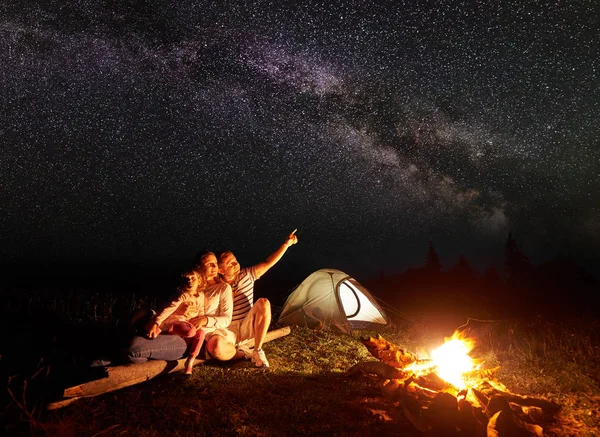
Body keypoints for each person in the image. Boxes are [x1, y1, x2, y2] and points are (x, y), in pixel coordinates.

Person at [126, 252, 232, 368]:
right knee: (141, 314)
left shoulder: (222, 288)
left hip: (192, 334)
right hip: (174, 321)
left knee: (134, 347)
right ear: (198, 267)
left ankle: (135, 354)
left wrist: (205, 320)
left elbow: (226, 319)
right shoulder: (189, 285)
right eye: (209, 264)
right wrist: (177, 310)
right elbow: (169, 305)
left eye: (215, 263)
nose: (214, 266)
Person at [212, 229, 299, 368]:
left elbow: (268, 262)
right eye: (230, 263)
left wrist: (286, 244)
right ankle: (245, 353)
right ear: (220, 270)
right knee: (216, 349)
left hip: (247, 325)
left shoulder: (246, 275)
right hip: (227, 329)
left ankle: (257, 350)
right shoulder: (215, 286)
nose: (235, 264)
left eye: (235, 260)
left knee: (263, 302)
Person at [144, 269, 207, 374]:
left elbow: (201, 311)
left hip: (187, 323)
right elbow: (169, 308)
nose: (190, 281)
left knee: (201, 333)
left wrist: (200, 319)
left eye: (193, 278)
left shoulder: (201, 295)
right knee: (191, 331)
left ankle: (190, 360)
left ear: (199, 280)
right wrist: (156, 322)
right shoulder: (182, 295)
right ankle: (166, 332)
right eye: (186, 279)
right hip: (175, 321)